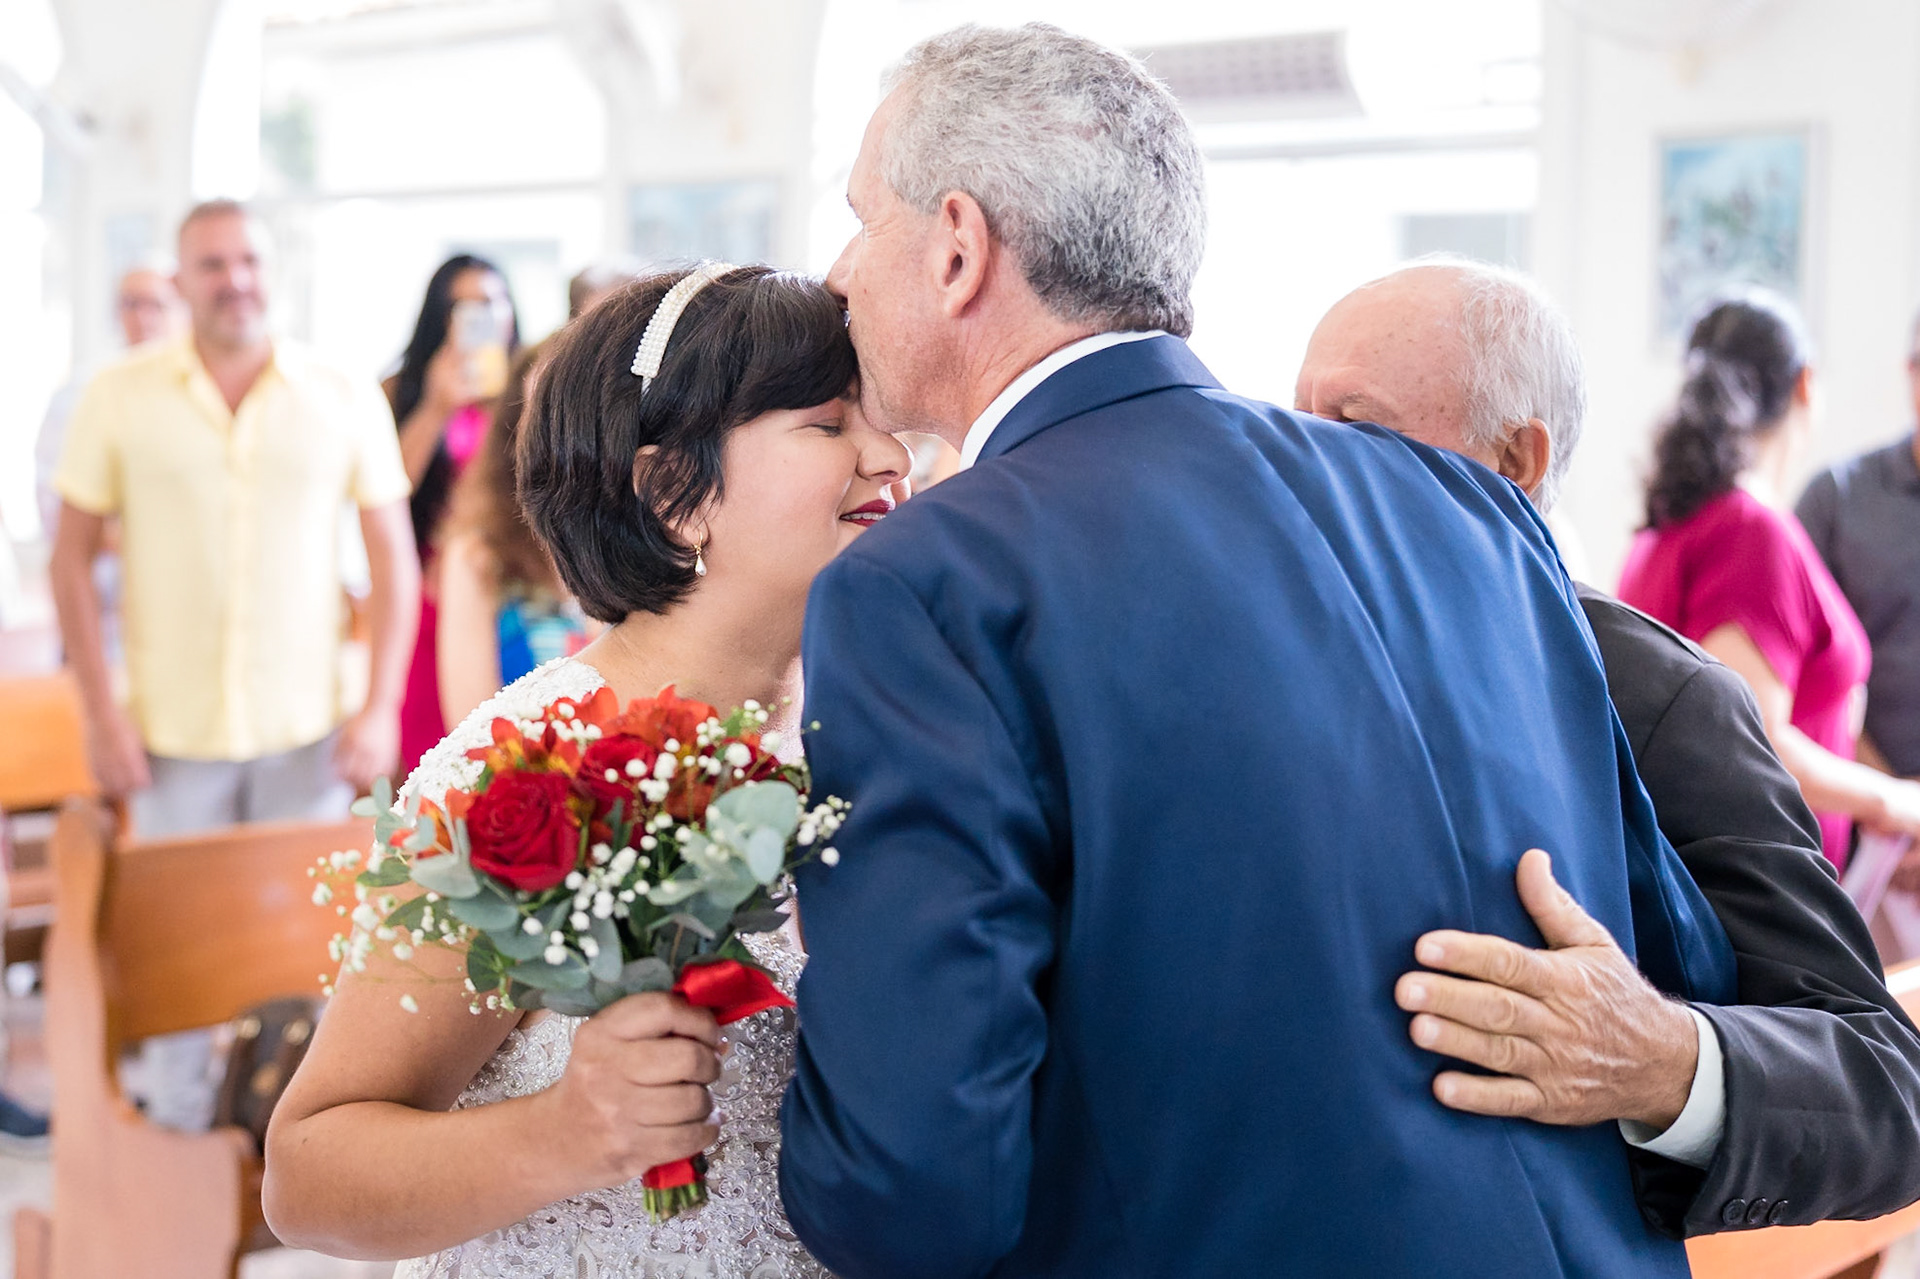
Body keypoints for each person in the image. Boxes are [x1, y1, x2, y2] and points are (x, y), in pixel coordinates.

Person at [778, 24, 1729, 1279]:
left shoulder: (928, 580)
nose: (839, 273)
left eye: (858, 219)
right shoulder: (1468, 507)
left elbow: (916, 1191)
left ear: (958, 246)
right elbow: (1680, 964)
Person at [263, 265, 909, 1276]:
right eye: (831, 424)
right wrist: (563, 1133)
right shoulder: (523, 771)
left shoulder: (869, 740)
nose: (889, 456)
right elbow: (305, 1175)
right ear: (674, 492)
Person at [1296, 258, 1920, 1235]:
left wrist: (1662, 1060)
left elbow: (1888, 1093)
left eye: (1356, 422)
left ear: (1516, 458)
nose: (1306, 459)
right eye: (1296, 422)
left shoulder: (1660, 698)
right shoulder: (1279, 664)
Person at [49, 199, 419, 1129]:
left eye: (247, 259)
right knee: (175, 952)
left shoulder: (339, 393)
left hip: (309, 734)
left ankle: (302, 1138)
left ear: (271, 268)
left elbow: (394, 566)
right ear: (180, 281)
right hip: (169, 736)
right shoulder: (117, 394)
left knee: (310, 953)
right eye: (211, 264)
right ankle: (175, 1134)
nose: (234, 279)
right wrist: (99, 714)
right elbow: (68, 559)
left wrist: (378, 711)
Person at [1617, 293, 1920, 870]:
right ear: (1805, 385)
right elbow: (1753, 743)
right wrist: (1899, 801)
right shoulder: (1749, 531)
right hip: (1756, 898)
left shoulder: (1670, 522)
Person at [386, 254, 522, 776]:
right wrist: (437, 407)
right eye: (461, 306)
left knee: (502, 747)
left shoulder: (527, 386)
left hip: (507, 590)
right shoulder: (404, 389)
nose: (479, 318)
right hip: (426, 593)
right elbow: (388, 492)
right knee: (431, 752)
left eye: (491, 303)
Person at [433, 342, 592, 728]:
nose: (557, 441)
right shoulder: (478, 552)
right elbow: (468, 727)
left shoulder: (645, 541)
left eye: (573, 416)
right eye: (540, 417)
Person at [1796, 315, 1920, 784]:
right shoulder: (1836, 497)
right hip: (1859, 813)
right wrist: (1891, 804)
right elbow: (1804, 677)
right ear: (1911, 371)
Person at [35, 263, 186, 542]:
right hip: (101, 576)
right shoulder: (80, 392)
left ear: (182, 310)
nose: (143, 317)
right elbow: (52, 501)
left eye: (157, 305)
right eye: (131, 304)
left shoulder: (199, 394)